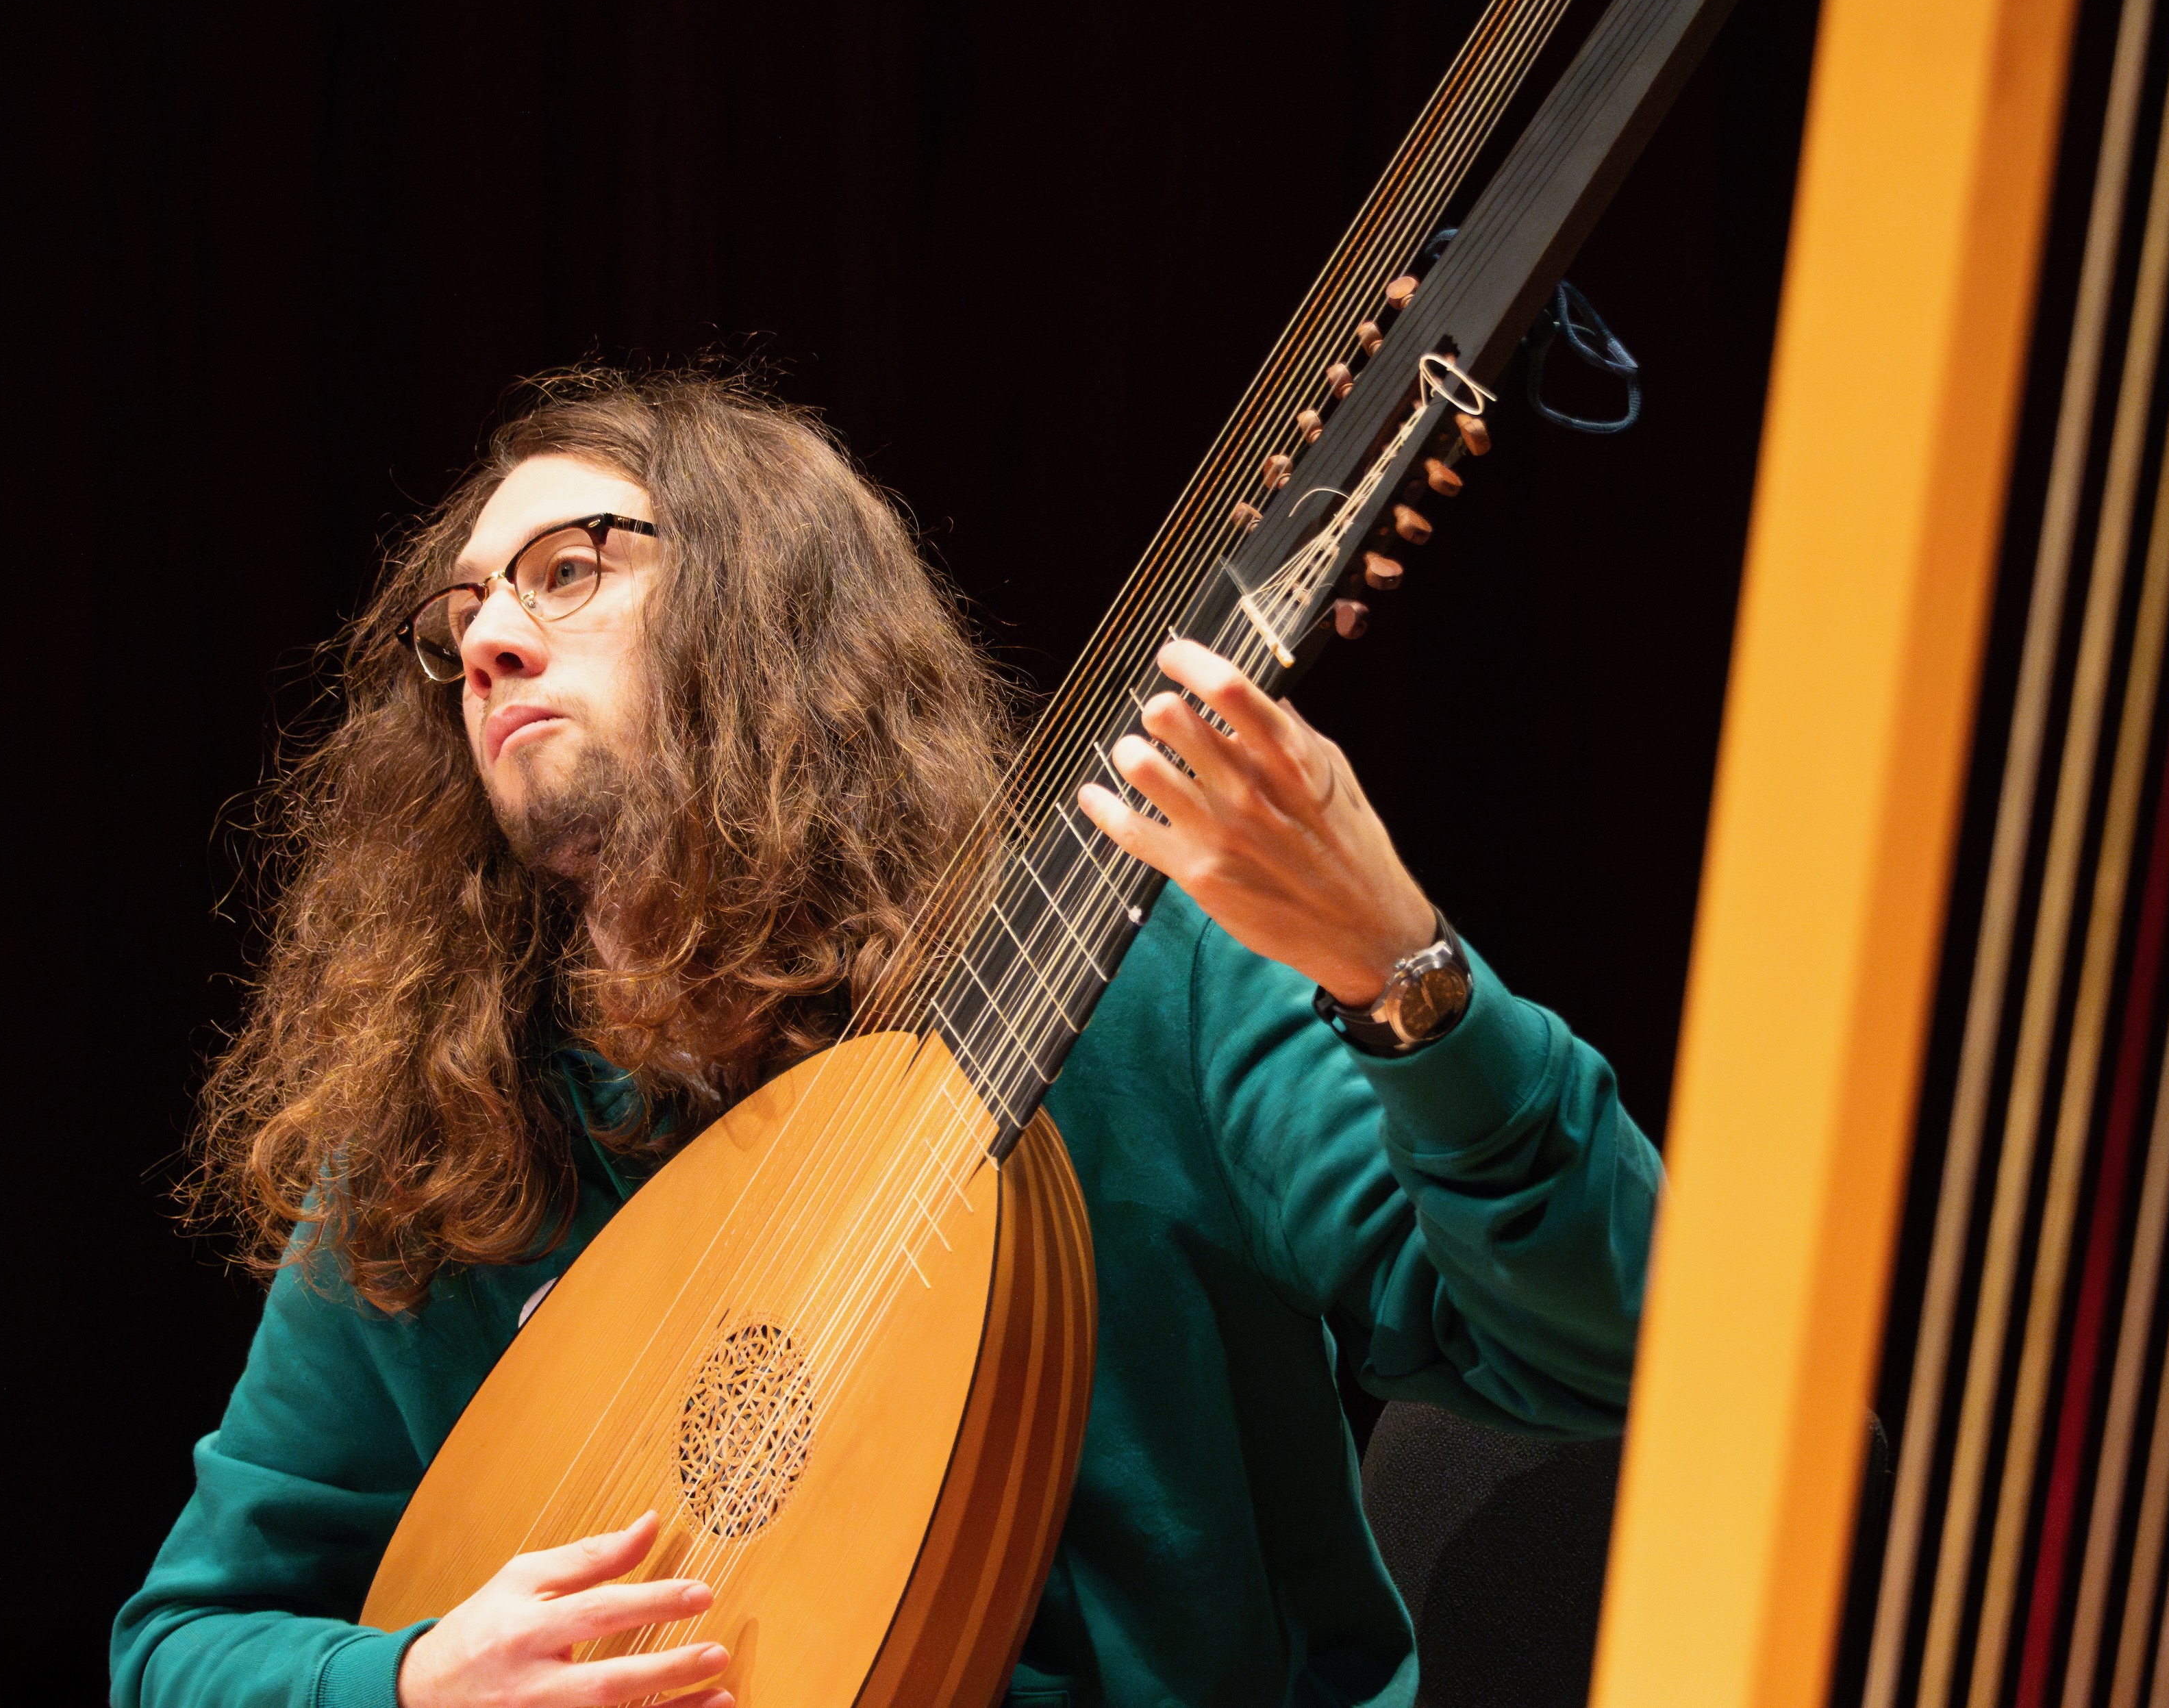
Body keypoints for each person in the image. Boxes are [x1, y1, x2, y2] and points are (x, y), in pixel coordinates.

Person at [110, 366, 1662, 1708]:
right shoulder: (447, 1127)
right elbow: (176, 1647)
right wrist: (411, 1679)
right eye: (462, 618)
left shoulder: (1137, 978)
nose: (494, 638)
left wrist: (1405, 978)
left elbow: (1611, 1344)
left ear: (764, 608)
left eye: (568, 567)